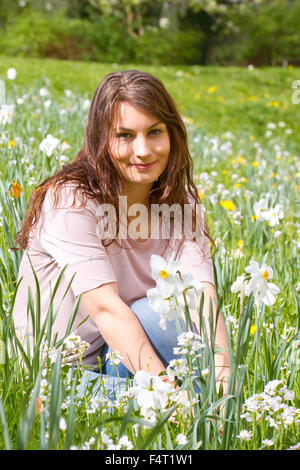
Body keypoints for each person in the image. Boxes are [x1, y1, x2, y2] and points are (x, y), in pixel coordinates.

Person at [12, 70, 230, 398]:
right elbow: (106, 310)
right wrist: (166, 392)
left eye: (154, 132)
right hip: (60, 372)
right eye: (125, 136)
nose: (142, 151)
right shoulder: (70, 200)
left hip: (121, 354)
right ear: (101, 138)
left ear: (172, 135)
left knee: (168, 316)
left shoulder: (179, 201)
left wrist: (223, 368)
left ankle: (208, 419)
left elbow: (200, 295)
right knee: (170, 409)